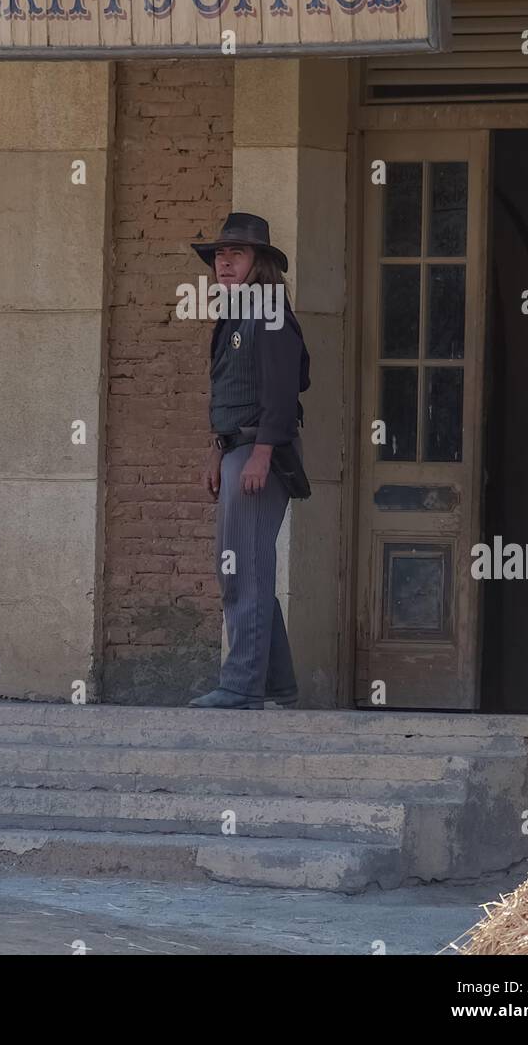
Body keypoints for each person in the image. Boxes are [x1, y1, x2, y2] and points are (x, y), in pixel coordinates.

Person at [188, 213, 311, 710]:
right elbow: (233, 391)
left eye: (236, 254)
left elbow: (282, 392)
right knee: (241, 568)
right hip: (237, 449)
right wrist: (218, 449)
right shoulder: (239, 312)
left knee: (244, 572)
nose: (224, 262)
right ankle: (277, 684)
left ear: (259, 262)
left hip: (263, 453)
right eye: (220, 254)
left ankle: (241, 687)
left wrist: (261, 453)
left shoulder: (270, 311)